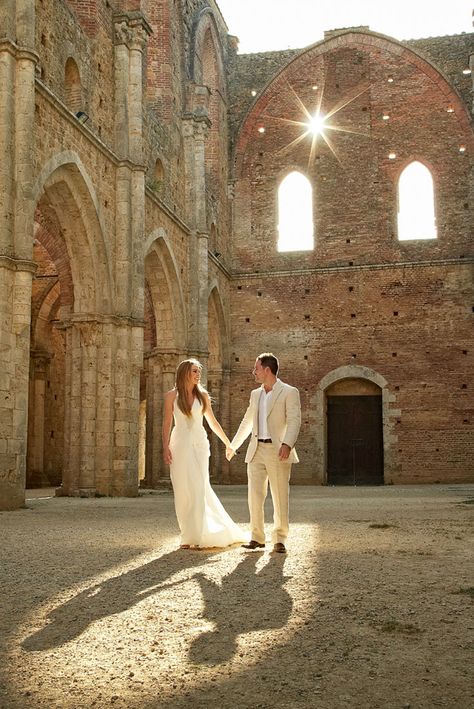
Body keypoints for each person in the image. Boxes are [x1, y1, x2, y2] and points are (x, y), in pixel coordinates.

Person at [163, 358, 245, 549]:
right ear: (184, 373)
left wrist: (228, 444)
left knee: (200, 487)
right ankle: (187, 535)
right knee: (183, 490)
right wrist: (165, 447)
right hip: (179, 444)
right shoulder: (171, 397)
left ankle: (199, 535)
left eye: (199, 371)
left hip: (200, 445)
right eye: (194, 371)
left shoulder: (203, 397)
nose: (198, 374)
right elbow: (166, 423)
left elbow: (213, 422)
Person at [226, 353, 301, 554]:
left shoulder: (289, 392)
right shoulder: (255, 394)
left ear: (267, 370)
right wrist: (233, 445)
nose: (254, 372)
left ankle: (280, 539)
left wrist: (287, 444)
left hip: (278, 451)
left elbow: (294, 420)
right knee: (254, 496)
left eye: (256, 368)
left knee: (279, 496)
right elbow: (247, 421)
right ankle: (257, 537)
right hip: (256, 449)